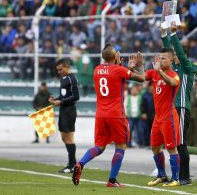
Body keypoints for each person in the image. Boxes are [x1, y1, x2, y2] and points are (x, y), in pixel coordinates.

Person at [72, 45, 145, 187]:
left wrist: (125, 68)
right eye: (117, 53)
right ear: (114, 56)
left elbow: (113, 75)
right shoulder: (119, 70)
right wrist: (139, 66)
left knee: (100, 146)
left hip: (100, 114)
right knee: (121, 146)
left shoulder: (97, 70)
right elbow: (142, 78)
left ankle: (80, 163)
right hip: (116, 114)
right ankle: (112, 180)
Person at [160, 22, 197, 185]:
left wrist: (174, 33)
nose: (174, 56)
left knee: (181, 143)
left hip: (182, 108)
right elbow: (168, 53)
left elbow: (180, 54)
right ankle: (177, 175)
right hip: (173, 109)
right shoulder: (175, 69)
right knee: (174, 143)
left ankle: (185, 177)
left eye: (176, 55)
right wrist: (164, 35)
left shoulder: (188, 67)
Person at [145, 48, 181, 187]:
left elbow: (172, 83)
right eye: (160, 58)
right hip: (157, 118)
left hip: (169, 118)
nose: (161, 60)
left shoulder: (174, 74)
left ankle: (176, 178)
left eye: (164, 58)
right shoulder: (153, 73)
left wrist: (159, 71)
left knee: (172, 148)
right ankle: (161, 175)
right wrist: (139, 66)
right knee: (154, 147)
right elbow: (142, 77)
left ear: (171, 60)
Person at [48, 59, 80, 173]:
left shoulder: (72, 79)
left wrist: (61, 102)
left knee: (69, 138)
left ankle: (72, 165)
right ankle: (71, 164)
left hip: (69, 110)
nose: (59, 72)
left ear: (67, 67)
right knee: (64, 137)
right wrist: (56, 99)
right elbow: (64, 95)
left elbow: (76, 96)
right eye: (57, 70)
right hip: (64, 109)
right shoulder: (63, 79)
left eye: (61, 69)